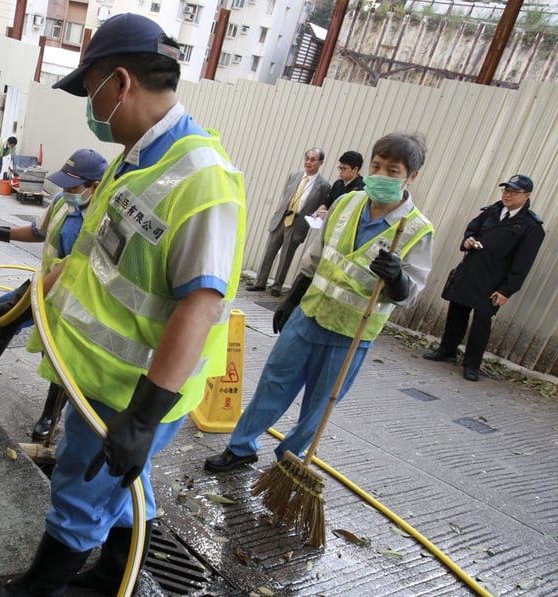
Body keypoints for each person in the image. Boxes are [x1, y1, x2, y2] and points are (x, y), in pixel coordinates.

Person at [0, 13, 246, 597]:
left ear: (120, 82)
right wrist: (22, 308)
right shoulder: (136, 156)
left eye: (90, 89)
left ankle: (36, 591)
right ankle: (112, 577)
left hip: (134, 391)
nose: (89, 107)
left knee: (81, 487)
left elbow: (198, 308)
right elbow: (93, 262)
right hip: (99, 377)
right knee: (125, 486)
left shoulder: (204, 180)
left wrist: (143, 418)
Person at [204, 132, 435, 475]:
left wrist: (397, 277)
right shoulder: (347, 203)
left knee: (320, 404)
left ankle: (289, 461)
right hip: (308, 315)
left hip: (351, 332)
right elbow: (316, 258)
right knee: (274, 383)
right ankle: (241, 448)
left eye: (392, 170)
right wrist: (291, 299)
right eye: (376, 166)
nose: (380, 175)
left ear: (411, 177)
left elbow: (409, 293)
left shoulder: (416, 229)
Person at [0, 148, 109, 441]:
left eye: (74, 187)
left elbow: (76, 265)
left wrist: (33, 301)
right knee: (0, 312)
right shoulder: (62, 202)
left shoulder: (103, 220)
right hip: (46, 282)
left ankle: (49, 417)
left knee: (59, 355)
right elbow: (37, 232)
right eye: (64, 185)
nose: (66, 191)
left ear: (94, 186)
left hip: (76, 298)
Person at [423, 174, 544, 382]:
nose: (507, 195)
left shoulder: (531, 227)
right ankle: (447, 350)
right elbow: (472, 230)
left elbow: (522, 264)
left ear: (526, 196)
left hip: (493, 282)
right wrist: (468, 240)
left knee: (481, 322)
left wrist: (507, 290)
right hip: (471, 271)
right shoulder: (491, 211)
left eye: (514, 192)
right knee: (456, 312)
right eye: (506, 190)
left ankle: (472, 364)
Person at [247, 148, 331, 297]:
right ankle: (260, 282)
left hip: (297, 222)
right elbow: (286, 194)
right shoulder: (294, 175)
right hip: (282, 217)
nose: (308, 162)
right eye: (307, 158)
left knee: (286, 256)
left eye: (313, 159)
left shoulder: (323, 185)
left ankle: (277, 286)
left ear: (320, 162)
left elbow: (320, 205)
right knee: (269, 251)